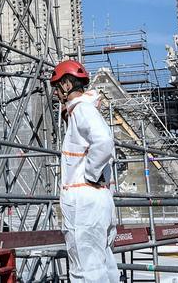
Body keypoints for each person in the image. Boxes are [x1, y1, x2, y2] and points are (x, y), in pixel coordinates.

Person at [51, 58, 118, 283]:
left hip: (85, 202)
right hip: (98, 199)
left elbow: (104, 141)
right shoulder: (82, 111)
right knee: (103, 266)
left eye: (57, 86)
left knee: (85, 271)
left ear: (67, 85)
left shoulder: (81, 109)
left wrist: (90, 173)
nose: (55, 93)